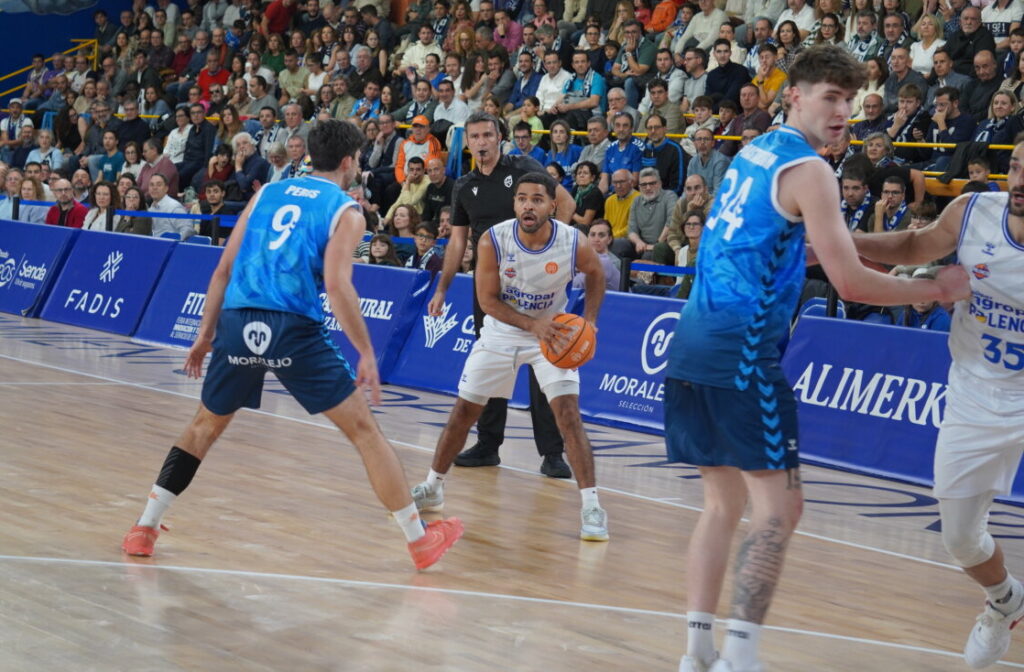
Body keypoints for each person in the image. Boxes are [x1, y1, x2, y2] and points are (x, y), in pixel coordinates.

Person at [668, 45, 971, 672]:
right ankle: (741, 658)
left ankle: (697, 652)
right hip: (743, 351)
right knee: (782, 508)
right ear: (795, 96)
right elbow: (852, 284)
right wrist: (935, 289)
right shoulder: (811, 171)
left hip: (692, 339)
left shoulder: (754, 152)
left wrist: (875, 251)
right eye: (829, 98)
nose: (842, 112)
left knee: (723, 506)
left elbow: (786, 246)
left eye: (850, 101)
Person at [120, 119, 463, 569]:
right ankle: (420, 542)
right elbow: (339, 288)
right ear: (347, 161)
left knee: (204, 426)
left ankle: (144, 528)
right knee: (365, 433)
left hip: (238, 319)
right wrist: (365, 351)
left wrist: (204, 335)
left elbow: (223, 269)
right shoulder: (346, 211)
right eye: (358, 158)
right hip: (292, 325)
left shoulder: (266, 193)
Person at [852, 137, 1024, 670]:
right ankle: (1006, 602)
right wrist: (841, 239)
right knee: (960, 539)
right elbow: (911, 248)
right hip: (975, 388)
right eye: (1017, 166)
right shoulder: (973, 211)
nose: (1019, 180)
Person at [412, 170, 609, 541]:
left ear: (553, 205)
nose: (528, 206)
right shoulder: (493, 240)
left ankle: (592, 507)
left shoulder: (573, 241)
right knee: (463, 412)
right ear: (514, 203)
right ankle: (433, 485)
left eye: (537, 199)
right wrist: (531, 325)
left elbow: (595, 274)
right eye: (521, 199)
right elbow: (487, 301)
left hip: (552, 335)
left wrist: (591, 321)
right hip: (502, 332)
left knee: (569, 415)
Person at [427, 111, 576, 478]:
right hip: (489, 286)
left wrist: (550, 250)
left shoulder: (523, 168)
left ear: (499, 138)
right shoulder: (463, 186)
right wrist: (443, 287)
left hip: (536, 282)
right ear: (469, 142)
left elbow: (566, 205)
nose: (481, 142)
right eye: (474, 136)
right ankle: (488, 446)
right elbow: (458, 241)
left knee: (545, 367)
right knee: (493, 366)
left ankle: (553, 453)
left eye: (487, 135)